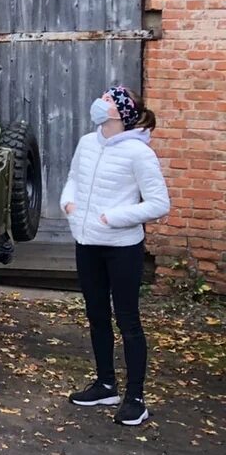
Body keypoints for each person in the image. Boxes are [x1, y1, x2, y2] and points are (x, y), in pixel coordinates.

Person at [61, 85, 169, 426]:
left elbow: (159, 204)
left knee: (128, 320)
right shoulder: (87, 142)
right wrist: (69, 205)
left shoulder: (140, 153)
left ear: (120, 112)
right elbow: (73, 179)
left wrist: (113, 217)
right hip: (87, 243)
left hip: (122, 248)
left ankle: (135, 397)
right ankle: (105, 384)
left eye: (107, 99)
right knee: (96, 314)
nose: (99, 101)